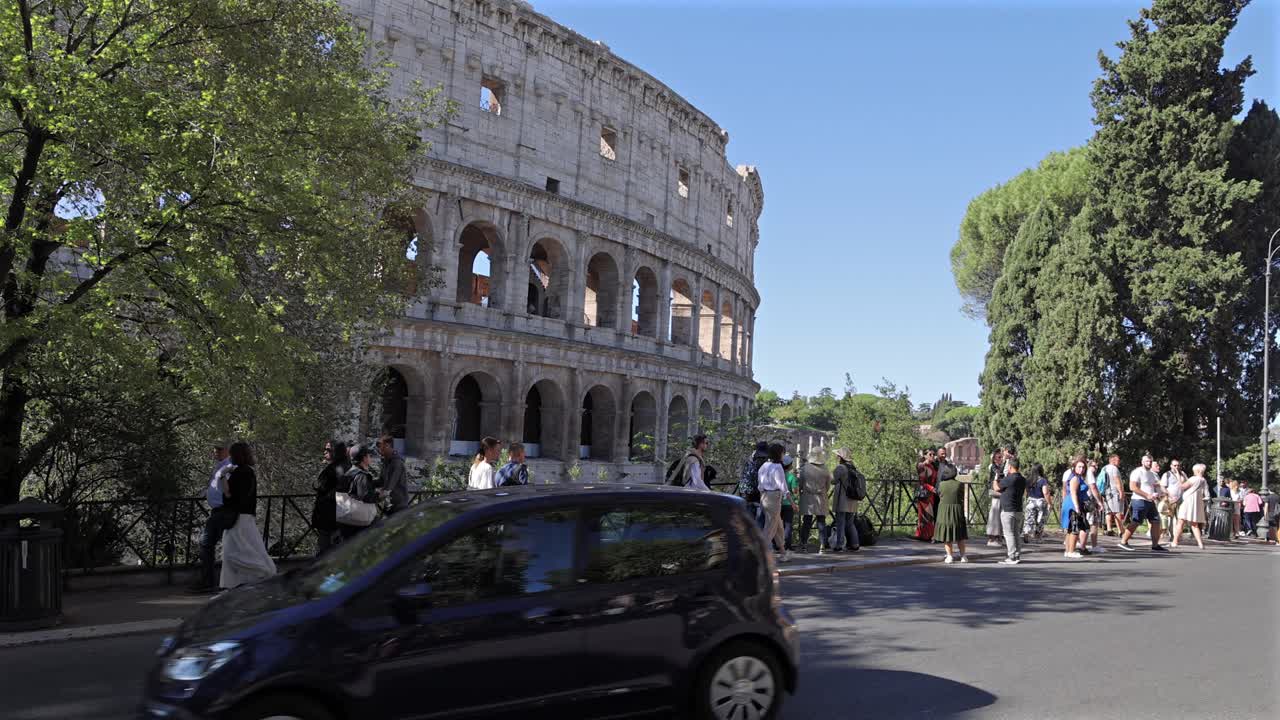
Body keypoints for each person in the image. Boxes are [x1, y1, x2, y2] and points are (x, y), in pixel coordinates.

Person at [218, 442, 276, 589]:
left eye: (231, 454)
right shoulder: (246, 472)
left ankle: (263, 572)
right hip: (244, 516)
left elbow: (231, 496)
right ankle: (237, 584)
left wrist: (224, 479)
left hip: (238, 517)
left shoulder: (241, 473)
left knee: (233, 552)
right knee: (249, 548)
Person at [190, 441, 235, 593]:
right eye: (215, 449)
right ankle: (211, 581)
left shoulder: (229, 466)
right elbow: (215, 485)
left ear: (228, 450)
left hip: (223, 510)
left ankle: (211, 581)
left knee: (209, 543)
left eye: (220, 449)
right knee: (211, 544)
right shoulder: (221, 465)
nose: (216, 452)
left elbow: (228, 487)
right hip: (218, 510)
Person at [1119, 454, 1167, 552]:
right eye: (1147, 461)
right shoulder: (1137, 472)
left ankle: (1155, 545)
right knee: (1136, 521)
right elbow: (1133, 487)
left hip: (1150, 501)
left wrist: (1160, 494)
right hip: (1139, 500)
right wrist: (1147, 495)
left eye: (1150, 461)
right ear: (1142, 462)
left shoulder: (1152, 474)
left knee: (1156, 521)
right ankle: (1123, 541)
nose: (1148, 463)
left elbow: (1155, 486)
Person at [310, 440, 348, 556]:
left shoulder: (338, 468)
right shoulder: (340, 465)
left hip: (330, 514)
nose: (324, 452)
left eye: (328, 450)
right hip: (333, 514)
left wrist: (326, 496)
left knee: (326, 549)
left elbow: (341, 487)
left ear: (336, 452)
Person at [757, 443, 791, 562]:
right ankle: (762, 553)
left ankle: (783, 552)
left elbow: (760, 485)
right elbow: (783, 486)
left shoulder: (764, 465)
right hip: (774, 497)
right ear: (779, 454)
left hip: (764, 496)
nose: (783, 455)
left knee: (778, 525)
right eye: (782, 452)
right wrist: (792, 502)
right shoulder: (778, 467)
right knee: (771, 526)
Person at [338, 446, 380, 540]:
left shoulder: (349, 472)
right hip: (359, 522)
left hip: (347, 519)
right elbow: (365, 497)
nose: (370, 458)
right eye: (369, 455)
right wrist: (379, 495)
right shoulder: (361, 475)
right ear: (364, 458)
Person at [1061, 458, 1098, 559]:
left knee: (1070, 528)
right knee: (1074, 528)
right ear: (1074, 467)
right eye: (1079, 467)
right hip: (1073, 504)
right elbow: (1073, 492)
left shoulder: (1078, 477)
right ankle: (1071, 551)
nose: (1081, 469)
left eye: (1083, 467)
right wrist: (1077, 507)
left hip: (1071, 503)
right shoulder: (1075, 478)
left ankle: (1068, 551)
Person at [935, 457, 969, 564]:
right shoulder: (959, 484)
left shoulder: (941, 485)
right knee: (959, 535)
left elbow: (939, 494)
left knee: (947, 535)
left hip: (944, 510)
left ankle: (949, 556)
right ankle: (963, 556)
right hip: (957, 510)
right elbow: (961, 497)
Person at [798, 447, 832, 553]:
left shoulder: (804, 468)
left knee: (806, 522)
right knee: (821, 522)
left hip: (808, 498)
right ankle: (822, 545)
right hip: (820, 497)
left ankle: (804, 545)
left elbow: (800, 484)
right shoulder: (825, 469)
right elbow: (828, 486)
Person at [995, 457, 1027, 564]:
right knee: (1016, 533)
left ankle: (1012, 556)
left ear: (1010, 467)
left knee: (1008, 534)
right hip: (1018, 509)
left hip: (1008, 510)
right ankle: (1017, 555)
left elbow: (996, 488)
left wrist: (995, 479)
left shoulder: (1009, 479)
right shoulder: (1022, 479)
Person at [829, 448, 861, 553]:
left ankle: (839, 545)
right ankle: (855, 544)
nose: (837, 457)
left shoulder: (840, 468)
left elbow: (833, 481)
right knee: (850, 523)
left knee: (840, 522)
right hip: (853, 499)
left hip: (842, 499)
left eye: (838, 455)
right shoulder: (853, 467)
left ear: (841, 457)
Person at [1172, 463, 1208, 549]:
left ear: (1197, 471)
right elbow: (1206, 494)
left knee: (1180, 521)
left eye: (1194, 470)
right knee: (1194, 524)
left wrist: (1178, 477)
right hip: (1197, 502)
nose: (1194, 472)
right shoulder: (1203, 480)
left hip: (1188, 501)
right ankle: (1200, 543)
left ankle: (1175, 541)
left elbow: (1182, 487)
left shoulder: (1193, 479)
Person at [375, 435, 409, 514]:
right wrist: (367, 481)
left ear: (387, 446)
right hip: (389, 504)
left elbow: (388, 488)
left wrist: (372, 498)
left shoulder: (397, 463)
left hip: (399, 505)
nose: (378, 449)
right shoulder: (386, 461)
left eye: (380, 446)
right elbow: (381, 481)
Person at [740, 441, 770, 527]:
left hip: (745, 491)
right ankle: (756, 537)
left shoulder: (751, 457)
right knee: (759, 519)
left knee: (748, 517)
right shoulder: (761, 458)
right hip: (755, 491)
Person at [1022, 463, 1053, 543]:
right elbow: (1045, 492)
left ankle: (1026, 533)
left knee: (1028, 519)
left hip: (1030, 501)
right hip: (1040, 502)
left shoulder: (1028, 480)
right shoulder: (1042, 480)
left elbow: (1025, 492)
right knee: (1040, 520)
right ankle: (1038, 537)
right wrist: (1049, 503)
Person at [1159, 459, 1187, 542]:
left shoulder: (1183, 473)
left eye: (1178, 465)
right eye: (1175, 465)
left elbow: (1187, 483)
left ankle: (1178, 535)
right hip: (1171, 499)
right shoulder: (1167, 474)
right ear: (1171, 466)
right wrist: (1169, 495)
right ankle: (1172, 536)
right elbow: (1162, 486)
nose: (1177, 467)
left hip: (1181, 499)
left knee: (1180, 518)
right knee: (1171, 518)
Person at [985, 448, 1008, 547]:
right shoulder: (993, 467)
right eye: (999, 457)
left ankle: (999, 537)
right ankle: (992, 537)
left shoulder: (998, 466)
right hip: (996, 492)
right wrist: (1005, 461)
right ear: (994, 459)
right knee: (994, 515)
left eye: (1001, 457)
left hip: (1001, 492)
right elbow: (999, 473)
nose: (1001, 459)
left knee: (1000, 516)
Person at [914, 449, 938, 542]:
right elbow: (922, 482)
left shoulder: (932, 466)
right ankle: (923, 535)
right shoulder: (922, 466)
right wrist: (931, 488)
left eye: (933, 454)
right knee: (925, 514)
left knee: (929, 515)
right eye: (930, 454)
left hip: (931, 493)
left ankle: (928, 535)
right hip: (924, 493)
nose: (932, 456)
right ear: (925, 455)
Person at [1084, 459, 1106, 553]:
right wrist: (1099, 501)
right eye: (1094, 466)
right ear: (1089, 466)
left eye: (1096, 466)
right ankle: (1094, 545)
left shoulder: (1083, 473)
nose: (1095, 468)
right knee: (1093, 523)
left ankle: (1082, 544)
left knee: (1085, 522)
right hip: (1090, 500)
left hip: (1084, 499)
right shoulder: (1089, 473)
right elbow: (1093, 487)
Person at [1102, 454, 1126, 536]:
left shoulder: (1104, 468)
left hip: (1105, 492)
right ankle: (1121, 531)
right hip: (1114, 492)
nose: (1119, 462)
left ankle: (1109, 529)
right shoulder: (1114, 468)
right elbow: (1117, 481)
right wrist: (1121, 492)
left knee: (1108, 512)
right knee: (1117, 511)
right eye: (1118, 460)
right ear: (1113, 460)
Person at [781, 454, 798, 551]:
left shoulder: (779, 474)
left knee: (778, 525)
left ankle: (777, 544)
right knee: (788, 525)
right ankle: (787, 545)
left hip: (778, 502)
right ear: (790, 465)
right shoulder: (791, 476)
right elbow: (794, 490)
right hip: (789, 503)